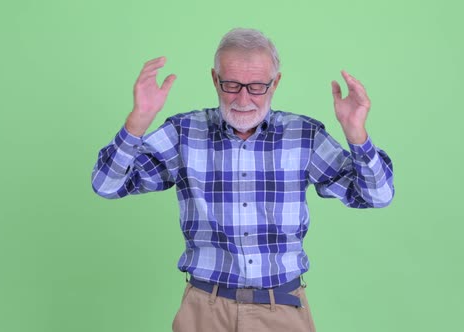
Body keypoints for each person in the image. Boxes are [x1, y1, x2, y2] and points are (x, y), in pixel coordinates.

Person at [91, 28, 394, 332]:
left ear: (275, 83)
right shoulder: (184, 132)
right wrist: (139, 119)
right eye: (232, 85)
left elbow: (377, 195)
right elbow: (107, 184)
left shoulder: (304, 135)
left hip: (283, 309)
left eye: (257, 86)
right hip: (204, 310)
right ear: (214, 79)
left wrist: (356, 133)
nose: (243, 98)